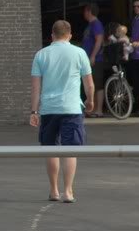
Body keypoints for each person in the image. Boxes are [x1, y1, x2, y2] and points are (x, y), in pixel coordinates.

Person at [29, 20, 94, 203]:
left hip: (48, 109)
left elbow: (36, 87)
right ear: (70, 35)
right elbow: (89, 83)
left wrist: (34, 111)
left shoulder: (41, 55)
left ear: (52, 35)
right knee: (70, 150)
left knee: (50, 149)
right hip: (72, 108)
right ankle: (68, 191)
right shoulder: (79, 53)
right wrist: (90, 101)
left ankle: (54, 190)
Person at [81, 3, 105, 117]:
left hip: (96, 59)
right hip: (88, 58)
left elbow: (99, 40)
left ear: (89, 12)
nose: (84, 13)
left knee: (98, 84)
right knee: (92, 84)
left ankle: (99, 110)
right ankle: (92, 109)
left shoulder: (96, 24)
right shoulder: (91, 25)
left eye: (85, 11)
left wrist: (93, 56)